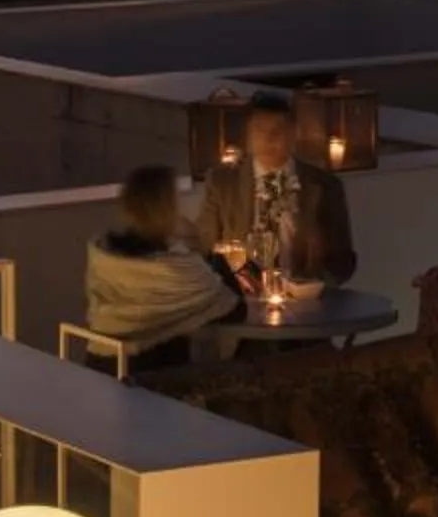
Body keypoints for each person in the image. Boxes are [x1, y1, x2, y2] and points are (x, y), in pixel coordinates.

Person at [83, 166, 243, 367]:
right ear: (168, 209)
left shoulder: (105, 257)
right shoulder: (177, 270)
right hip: (152, 375)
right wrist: (210, 253)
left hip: (99, 366)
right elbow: (234, 307)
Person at [194, 94, 358, 284]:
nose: (269, 139)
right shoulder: (222, 183)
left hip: (305, 292)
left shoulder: (325, 185)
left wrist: (318, 283)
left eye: (278, 130)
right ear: (248, 135)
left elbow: (344, 262)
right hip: (239, 293)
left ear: (293, 133)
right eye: (259, 130)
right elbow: (203, 249)